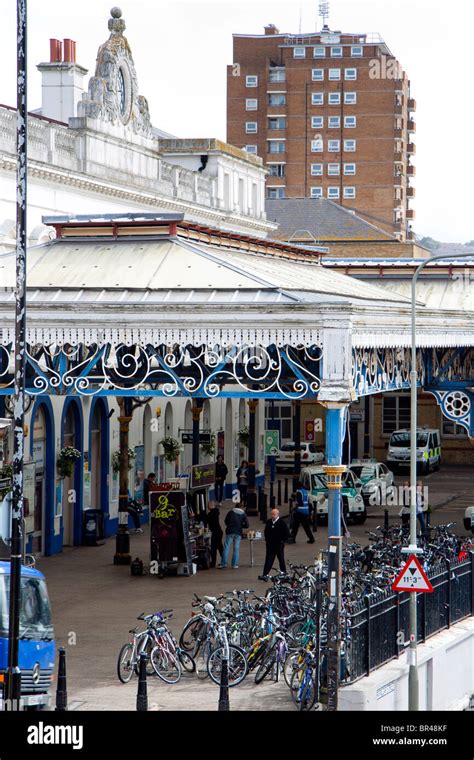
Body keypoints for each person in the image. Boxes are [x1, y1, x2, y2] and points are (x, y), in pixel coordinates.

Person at [259, 508, 290, 580]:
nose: (273, 516)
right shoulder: (269, 522)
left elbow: (287, 533)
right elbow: (266, 532)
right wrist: (267, 541)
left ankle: (284, 573)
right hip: (270, 545)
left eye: (274, 514)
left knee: (281, 559)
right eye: (272, 514)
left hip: (279, 545)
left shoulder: (282, 523)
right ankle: (265, 575)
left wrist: (282, 541)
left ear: (278, 514)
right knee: (268, 560)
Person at [220, 503, 249, 569]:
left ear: (235, 506)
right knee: (236, 549)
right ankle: (234, 565)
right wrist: (241, 525)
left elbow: (226, 521)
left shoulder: (230, 512)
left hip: (230, 531)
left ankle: (223, 564)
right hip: (238, 532)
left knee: (226, 548)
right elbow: (247, 525)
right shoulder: (243, 514)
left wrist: (229, 525)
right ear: (241, 507)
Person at [205, 500, 224, 568]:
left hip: (216, 532)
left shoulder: (212, 513)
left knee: (214, 548)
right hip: (218, 532)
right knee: (219, 547)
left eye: (208, 505)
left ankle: (213, 563)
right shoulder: (215, 512)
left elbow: (206, 519)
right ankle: (223, 561)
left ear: (211, 505)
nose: (207, 506)